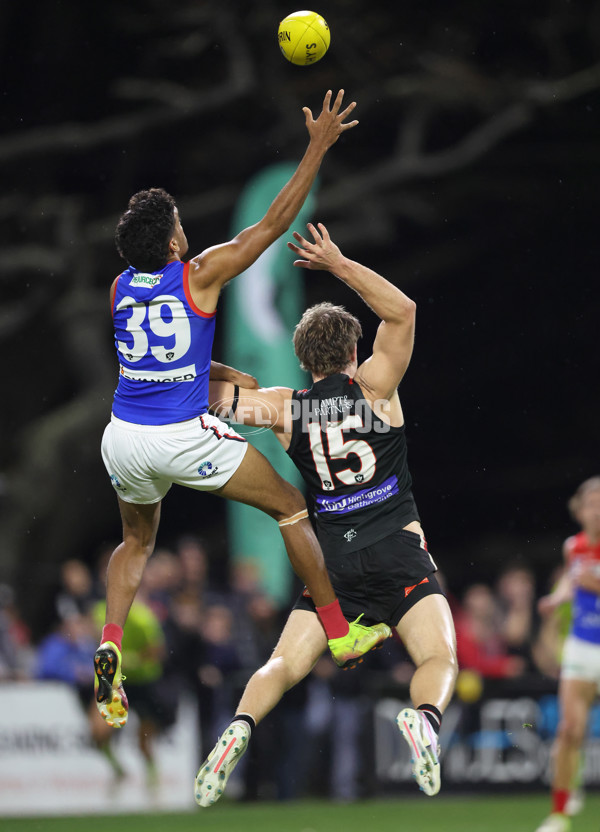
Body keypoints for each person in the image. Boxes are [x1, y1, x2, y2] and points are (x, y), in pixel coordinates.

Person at [94, 91, 391, 735]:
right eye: (177, 224)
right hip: (179, 434)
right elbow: (273, 224)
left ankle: (111, 637)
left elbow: (159, 363)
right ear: (172, 237)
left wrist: (222, 374)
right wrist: (317, 147)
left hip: (122, 438)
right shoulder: (197, 274)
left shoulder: (120, 288)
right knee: (290, 505)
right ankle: (340, 635)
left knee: (136, 542)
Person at [201, 222, 458, 806]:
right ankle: (424, 722)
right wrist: (338, 263)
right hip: (398, 549)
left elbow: (203, 396)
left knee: (281, 665)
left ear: (300, 357)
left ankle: (239, 726)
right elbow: (404, 312)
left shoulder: (284, 409)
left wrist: (218, 371)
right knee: (438, 657)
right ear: (352, 352)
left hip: (333, 565)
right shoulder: (374, 388)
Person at [534, 476, 600, 832]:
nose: (597, 509)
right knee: (569, 729)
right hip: (582, 645)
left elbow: (589, 581)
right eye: (591, 502)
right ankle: (559, 813)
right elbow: (572, 580)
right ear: (579, 510)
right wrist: (556, 598)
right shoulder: (573, 547)